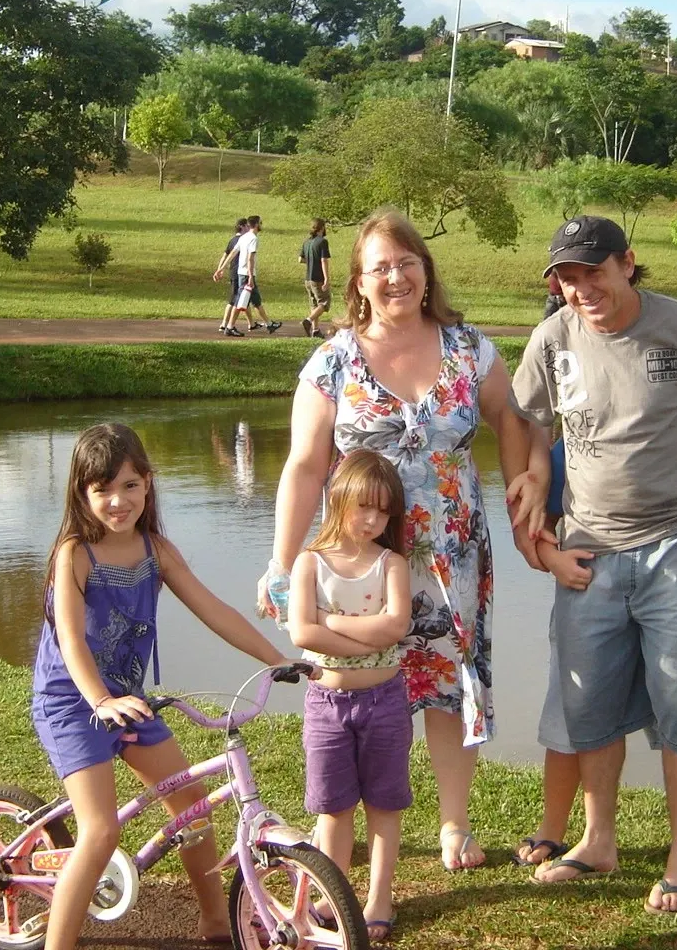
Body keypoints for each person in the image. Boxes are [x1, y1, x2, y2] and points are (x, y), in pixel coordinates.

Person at [261, 207, 541, 873]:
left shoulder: (470, 348)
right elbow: (304, 466)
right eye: (380, 267)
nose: (396, 277)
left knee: (448, 686)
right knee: (354, 687)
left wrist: (524, 478)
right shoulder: (332, 362)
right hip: (357, 559)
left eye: (407, 262)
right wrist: (281, 562)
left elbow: (510, 416)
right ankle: (341, 826)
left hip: (453, 555)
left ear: (426, 270)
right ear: (357, 282)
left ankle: (454, 826)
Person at [506, 214, 677, 915]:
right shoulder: (552, 337)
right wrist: (536, 500)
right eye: (566, 275)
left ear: (628, 263)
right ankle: (597, 841)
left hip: (675, 548)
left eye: (592, 270)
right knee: (589, 706)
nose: (580, 287)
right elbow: (528, 419)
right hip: (589, 548)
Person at [31, 423, 290, 950]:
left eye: (129, 485)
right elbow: (74, 645)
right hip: (72, 703)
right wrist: (100, 700)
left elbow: (212, 608)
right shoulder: (74, 555)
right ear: (82, 494)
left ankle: (218, 923)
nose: (117, 500)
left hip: (129, 702)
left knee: (193, 803)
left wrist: (276, 657)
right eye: (101, 489)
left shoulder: (157, 551)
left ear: (148, 484)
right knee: (101, 830)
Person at [514, 441, 677, 875]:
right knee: (572, 712)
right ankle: (563, 829)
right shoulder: (563, 450)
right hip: (590, 601)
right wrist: (554, 558)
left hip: (667, 596)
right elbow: (538, 530)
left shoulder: (673, 434)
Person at [286, 449, 413, 942]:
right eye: (364, 506)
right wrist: (366, 630)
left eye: (382, 511)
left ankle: (380, 897)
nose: (372, 519)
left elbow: (396, 627)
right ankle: (331, 893)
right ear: (338, 499)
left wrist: (332, 622)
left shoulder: (392, 563)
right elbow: (303, 635)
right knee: (332, 806)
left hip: (385, 699)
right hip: (327, 705)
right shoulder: (310, 563)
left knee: (385, 801)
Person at [215, 215, 281, 335]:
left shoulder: (243, 237)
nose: (261, 225)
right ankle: (230, 327)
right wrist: (250, 276)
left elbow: (232, 253)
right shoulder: (253, 239)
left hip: (242, 273)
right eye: (260, 223)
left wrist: (221, 268)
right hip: (246, 275)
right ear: (256, 224)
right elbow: (250, 258)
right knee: (240, 300)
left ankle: (270, 324)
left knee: (256, 301)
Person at [212, 218, 257, 336]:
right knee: (234, 301)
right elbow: (236, 255)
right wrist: (219, 270)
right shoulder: (243, 239)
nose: (249, 228)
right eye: (247, 226)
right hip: (239, 273)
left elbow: (225, 255)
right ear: (242, 227)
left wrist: (220, 268)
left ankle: (251, 323)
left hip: (235, 272)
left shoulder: (233, 240)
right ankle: (225, 324)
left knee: (243, 299)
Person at [300, 217, 332, 338]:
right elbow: (324, 260)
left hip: (308, 278)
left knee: (314, 304)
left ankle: (316, 330)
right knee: (325, 302)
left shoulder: (307, 242)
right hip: (318, 277)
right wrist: (327, 279)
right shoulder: (322, 242)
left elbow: (300, 259)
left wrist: (311, 260)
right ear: (322, 228)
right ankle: (308, 321)